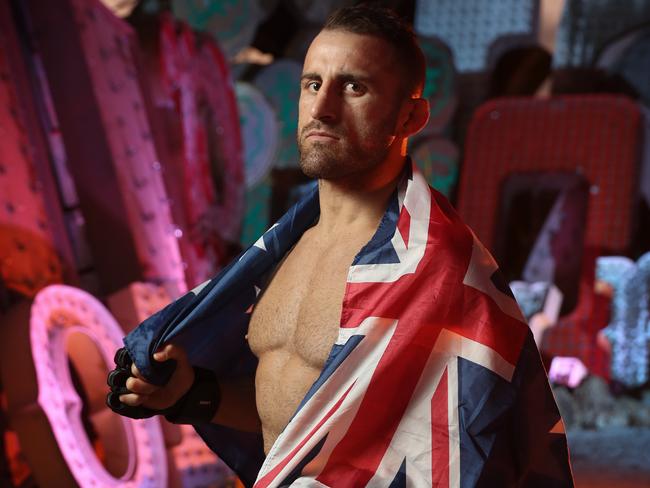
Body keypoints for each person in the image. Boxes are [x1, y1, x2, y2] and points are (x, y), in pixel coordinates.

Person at [107, 5, 574, 487]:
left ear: (411, 115)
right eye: (313, 84)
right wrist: (195, 394)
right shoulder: (284, 250)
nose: (323, 107)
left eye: (354, 87)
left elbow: (467, 447)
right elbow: (301, 414)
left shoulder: (440, 272)